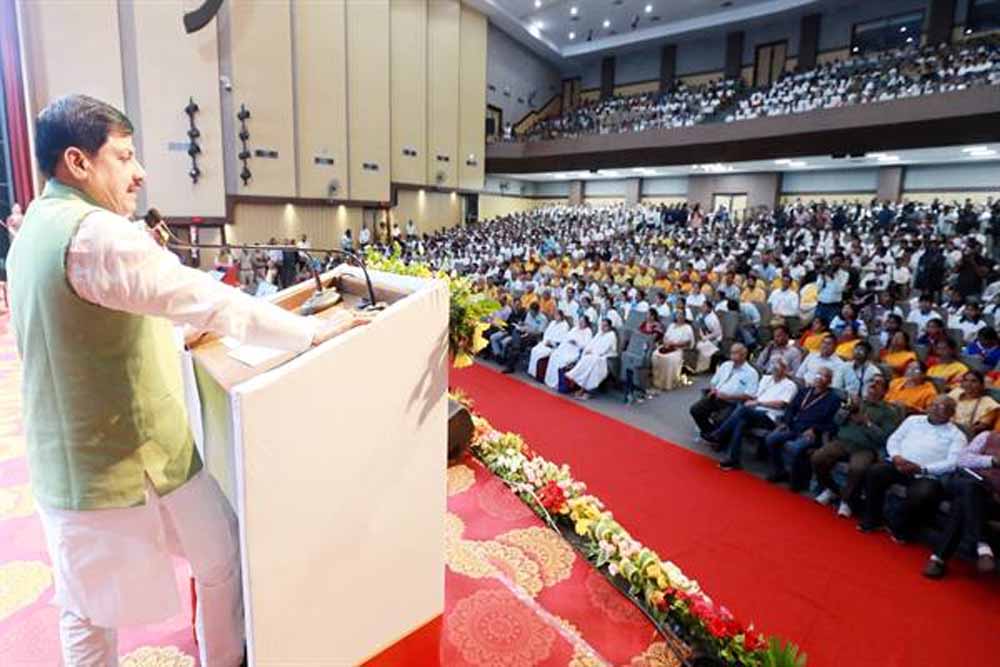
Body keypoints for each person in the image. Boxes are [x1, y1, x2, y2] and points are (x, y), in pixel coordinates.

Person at [6, 94, 365, 667]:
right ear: (78, 162)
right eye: (124, 156)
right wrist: (311, 333)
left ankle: (223, 657)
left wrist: (182, 334)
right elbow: (205, 298)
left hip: (142, 448)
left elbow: (94, 321)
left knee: (217, 554)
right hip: (103, 463)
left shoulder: (34, 229)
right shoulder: (96, 235)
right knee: (90, 615)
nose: (140, 172)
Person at [858, 397, 966, 541]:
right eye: (933, 405)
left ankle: (900, 529)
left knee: (922, 494)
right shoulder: (913, 420)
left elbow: (953, 463)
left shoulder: (957, 435)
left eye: (942, 408)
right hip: (899, 464)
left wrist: (922, 469)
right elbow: (894, 439)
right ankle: (873, 519)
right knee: (875, 472)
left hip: (927, 474)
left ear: (951, 413)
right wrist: (896, 456)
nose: (935, 409)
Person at [811, 375, 903, 517]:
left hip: (865, 448)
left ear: (884, 391)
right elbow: (836, 421)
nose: (873, 384)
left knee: (858, 468)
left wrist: (866, 423)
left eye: (878, 383)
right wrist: (846, 409)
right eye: (871, 381)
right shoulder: (855, 402)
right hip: (842, 442)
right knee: (817, 458)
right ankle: (833, 490)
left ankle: (846, 501)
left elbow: (885, 438)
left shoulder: (889, 412)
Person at [922, 431, 1000, 578]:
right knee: (970, 489)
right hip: (973, 487)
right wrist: (991, 461)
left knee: (963, 501)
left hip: (994, 500)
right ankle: (982, 545)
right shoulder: (987, 436)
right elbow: (962, 460)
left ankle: (939, 558)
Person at [709, 357, 798, 471]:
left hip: (770, 416)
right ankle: (733, 459)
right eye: (773, 365)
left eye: (778, 366)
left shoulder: (790, 385)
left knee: (742, 411)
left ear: (785, 369)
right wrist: (751, 401)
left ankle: (719, 434)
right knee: (741, 421)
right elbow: (755, 395)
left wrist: (758, 402)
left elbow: (781, 404)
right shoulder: (766, 379)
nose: (774, 368)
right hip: (754, 411)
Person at [765, 367, 843, 490]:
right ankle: (780, 471)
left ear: (829, 381)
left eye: (824, 376)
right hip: (794, 426)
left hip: (813, 432)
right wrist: (786, 422)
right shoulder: (804, 391)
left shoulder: (833, 399)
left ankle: (798, 480)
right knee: (771, 439)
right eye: (818, 374)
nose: (819, 378)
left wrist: (815, 429)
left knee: (795, 448)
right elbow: (791, 409)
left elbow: (832, 423)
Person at [689, 343, 759, 439]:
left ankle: (716, 436)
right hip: (716, 396)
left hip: (732, 402)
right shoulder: (726, 365)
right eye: (731, 353)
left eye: (735, 353)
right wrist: (713, 389)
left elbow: (750, 395)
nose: (732, 356)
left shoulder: (751, 373)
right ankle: (710, 433)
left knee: (720, 420)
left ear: (744, 355)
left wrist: (728, 396)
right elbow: (713, 382)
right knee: (695, 410)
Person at [567, 318, 618, 399]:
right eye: (602, 325)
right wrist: (588, 350)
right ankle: (579, 384)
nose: (603, 328)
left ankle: (586, 390)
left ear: (609, 327)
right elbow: (592, 343)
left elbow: (604, 349)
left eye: (605, 326)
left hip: (605, 358)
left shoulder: (611, 335)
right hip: (594, 355)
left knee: (592, 364)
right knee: (587, 359)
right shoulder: (599, 333)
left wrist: (593, 352)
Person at [651, 308, 695, 391]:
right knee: (655, 355)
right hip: (667, 346)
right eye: (677, 314)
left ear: (684, 316)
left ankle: (668, 383)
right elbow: (665, 337)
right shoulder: (671, 325)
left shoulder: (687, 327)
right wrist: (666, 343)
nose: (679, 316)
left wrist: (674, 344)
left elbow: (688, 342)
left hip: (679, 348)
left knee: (669, 359)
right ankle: (658, 381)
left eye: (681, 314)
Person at [544, 315, 593, 388]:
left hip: (575, 350)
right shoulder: (575, 328)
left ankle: (558, 383)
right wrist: (569, 340)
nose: (580, 323)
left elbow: (586, 344)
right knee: (554, 355)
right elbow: (566, 337)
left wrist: (577, 343)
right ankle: (550, 380)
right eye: (580, 321)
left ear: (586, 323)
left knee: (563, 360)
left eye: (582, 322)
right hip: (567, 347)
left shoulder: (588, 331)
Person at [501, 301, 548, 374]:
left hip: (533, 337)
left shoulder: (543, 319)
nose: (531, 314)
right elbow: (525, 324)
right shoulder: (528, 314)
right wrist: (521, 324)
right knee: (516, 331)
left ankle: (510, 365)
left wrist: (529, 331)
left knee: (516, 344)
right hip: (523, 333)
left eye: (533, 313)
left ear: (537, 311)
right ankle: (515, 347)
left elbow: (540, 333)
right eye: (530, 312)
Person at [948, 370, 999, 435]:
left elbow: (979, 428)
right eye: (965, 380)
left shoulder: (990, 404)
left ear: (982, 385)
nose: (968, 384)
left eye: (974, 381)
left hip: (963, 434)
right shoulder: (955, 392)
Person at [528, 309, 569, 378]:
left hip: (553, 346)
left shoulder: (565, 325)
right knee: (534, 350)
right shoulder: (552, 322)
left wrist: (551, 342)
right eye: (555, 315)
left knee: (540, 353)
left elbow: (561, 338)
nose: (555, 316)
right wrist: (546, 340)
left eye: (557, 315)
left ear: (561, 316)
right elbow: (546, 333)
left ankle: (538, 374)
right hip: (545, 342)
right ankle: (532, 372)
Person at [694, 299, 722, 372]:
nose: (702, 308)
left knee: (701, 346)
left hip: (715, 338)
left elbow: (717, 333)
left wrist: (706, 338)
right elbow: (699, 327)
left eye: (704, 306)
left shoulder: (713, 319)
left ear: (709, 308)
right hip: (704, 336)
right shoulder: (700, 315)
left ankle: (706, 367)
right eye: (702, 306)